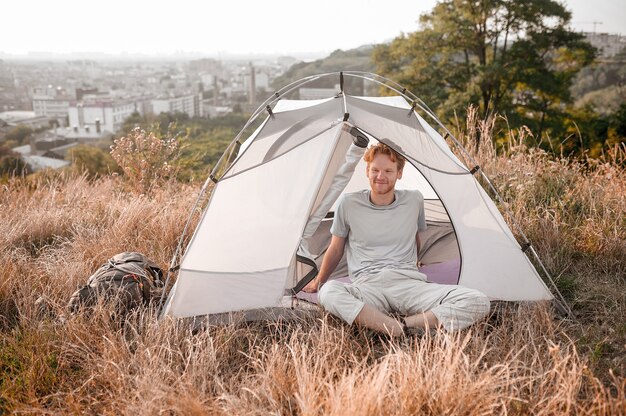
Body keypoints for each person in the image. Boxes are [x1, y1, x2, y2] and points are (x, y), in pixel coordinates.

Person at [303, 142, 490, 336]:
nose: (380, 176)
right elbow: (335, 249)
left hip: (409, 284)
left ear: (399, 173)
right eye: (375, 170)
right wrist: (319, 281)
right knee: (328, 292)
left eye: (388, 171)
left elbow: (414, 236)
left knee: (478, 300)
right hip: (368, 286)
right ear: (367, 171)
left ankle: (402, 325)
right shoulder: (348, 203)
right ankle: (397, 329)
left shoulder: (414, 200)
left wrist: (414, 259)